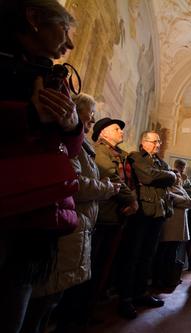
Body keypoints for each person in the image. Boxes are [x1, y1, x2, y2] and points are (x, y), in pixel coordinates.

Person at [0, 1, 82, 332]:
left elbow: (71, 151)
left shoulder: (52, 77)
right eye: (64, 29)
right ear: (34, 19)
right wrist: (28, 116)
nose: (70, 44)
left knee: (15, 309)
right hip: (9, 200)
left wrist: (72, 124)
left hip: (34, 217)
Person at [25, 94, 119, 332]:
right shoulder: (69, 143)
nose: (90, 123)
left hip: (79, 223)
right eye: (88, 119)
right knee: (44, 300)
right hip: (67, 223)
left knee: (53, 298)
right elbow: (75, 182)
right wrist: (109, 188)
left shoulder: (80, 144)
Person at [118, 131, 176, 319]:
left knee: (147, 256)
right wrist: (169, 176)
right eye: (154, 141)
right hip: (142, 213)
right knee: (133, 256)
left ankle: (141, 293)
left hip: (158, 213)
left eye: (159, 141)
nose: (158, 144)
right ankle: (125, 298)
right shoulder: (136, 157)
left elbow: (169, 177)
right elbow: (148, 177)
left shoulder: (160, 162)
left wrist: (167, 175)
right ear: (143, 143)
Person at [91, 117, 138, 319]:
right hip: (104, 214)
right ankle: (86, 308)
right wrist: (132, 200)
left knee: (106, 263)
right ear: (103, 133)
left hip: (116, 215)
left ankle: (96, 301)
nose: (121, 132)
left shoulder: (120, 154)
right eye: (116, 129)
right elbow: (111, 176)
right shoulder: (101, 150)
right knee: (96, 262)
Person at [155, 170, 191, 288]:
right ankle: (160, 279)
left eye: (179, 176)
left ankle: (170, 278)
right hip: (169, 225)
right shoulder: (166, 187)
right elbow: (169, 198)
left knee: (173, 254)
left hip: (179, 226)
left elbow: (190, 203)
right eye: (176, 176)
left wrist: (178, 199)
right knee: (164, 254)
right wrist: (182, 200)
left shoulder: (181, 188)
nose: (178, 178)